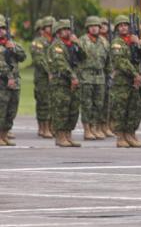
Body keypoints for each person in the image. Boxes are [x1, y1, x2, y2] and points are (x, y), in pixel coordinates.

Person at [109, 15, 141, 148]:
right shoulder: (117, 43)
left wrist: (138, 43)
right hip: (123, 82)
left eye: (125, 25)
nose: (123, 27)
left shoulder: (134, 40)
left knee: (135, 109)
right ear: (117, 28)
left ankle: (131, 134)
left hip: (136, 82)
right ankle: (121, 137)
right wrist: (135, 74)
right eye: (120, 25)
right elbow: (121, 61)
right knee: (121, 109)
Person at [46, 19, 84, 147]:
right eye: (63, 29)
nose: (66, 32)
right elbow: (61, 64)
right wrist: (73, 77)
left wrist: (78, 43)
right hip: (61, 82)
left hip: (74, 82)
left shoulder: (72, 44)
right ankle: (60, 137)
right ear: (58, 32)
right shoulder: (56, 46)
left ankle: (68, 135)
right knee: (61, 110)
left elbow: (84, 57)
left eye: (68, 29)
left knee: (73, 110)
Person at [78, 16, 110, 140]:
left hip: (100, 77)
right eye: (91, 26)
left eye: (96, 26)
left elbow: (108, 60)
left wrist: (109, 75)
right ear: (88, 28)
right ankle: (87, 129)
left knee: (98, 104)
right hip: (86, 76)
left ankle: (95, 128)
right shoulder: (82, 41)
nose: (94, 28)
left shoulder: (104, 42)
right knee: (87, 104)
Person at [0, 15, 26, 146]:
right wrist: (9, 77)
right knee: (1, 110)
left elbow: (23, 57)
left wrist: (13, 48)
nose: (1, 30)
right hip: (2, 83)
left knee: (11, 111)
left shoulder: (11, 43)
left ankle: (4, 135)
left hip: (15, 83)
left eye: (3, 28)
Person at [30, 16, 54, 139]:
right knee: (43, 102)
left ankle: (50, 127)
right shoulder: (38, 42)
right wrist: (49, 71)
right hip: (42, 77)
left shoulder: (55, 41)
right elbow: (39, 60)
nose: (51, 28)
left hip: (55, 77)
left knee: (53, 102)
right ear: (44, 28)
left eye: (52, 26)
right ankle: (43, 128)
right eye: (48, 26)